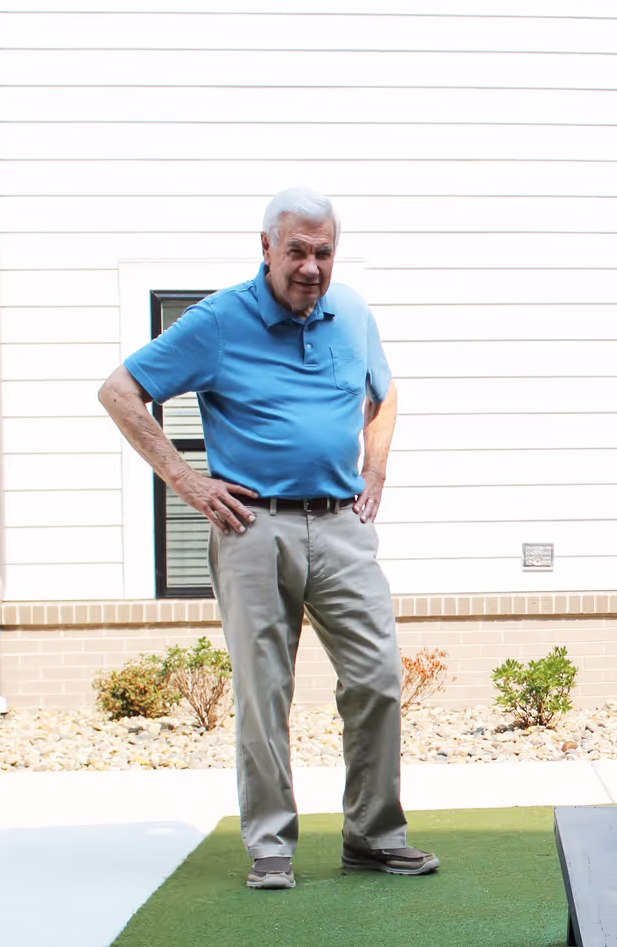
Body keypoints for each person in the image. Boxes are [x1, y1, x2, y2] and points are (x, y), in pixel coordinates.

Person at [97, 188, 437, 891]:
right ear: (265, 249)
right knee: (264, 690)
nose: (311, 267)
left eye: (324, 253)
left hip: (342, 523)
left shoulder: (354, 317)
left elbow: (386, 394)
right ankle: (271, 844)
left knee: (377, 679)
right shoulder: (219, 321)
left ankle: (373, 836)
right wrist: (189, 485)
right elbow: (121, 392)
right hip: (253, 527)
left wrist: (376, 467)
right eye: (297, 252)